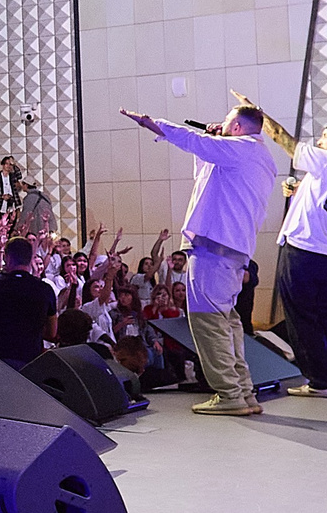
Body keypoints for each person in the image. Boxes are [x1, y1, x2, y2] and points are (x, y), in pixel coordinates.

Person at [120, 102, 281, 416]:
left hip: (214, 250)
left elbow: (196, 142)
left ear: (236, 127)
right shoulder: (258, 156)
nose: (220, 125)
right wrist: (210, 144)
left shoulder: (242, 149)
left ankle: (229, 394)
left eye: (226, 122)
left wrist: (151, 122)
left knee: (208, 323)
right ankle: (243, 392)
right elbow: (206, 173)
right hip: (231, 251)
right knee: (228, 322)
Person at [240, 93, 327, 398]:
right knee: (323, 317)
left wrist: (259, 112)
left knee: (300, 318)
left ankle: (319, 381)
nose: (319, 140)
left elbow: (284, 139)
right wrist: (297, 191)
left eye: (325, 136)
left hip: (302, 250)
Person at [0, 239, 57, 366]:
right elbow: (52, 332)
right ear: (30, 258)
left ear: (8, 258)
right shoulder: (45, 289)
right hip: (31, 360)